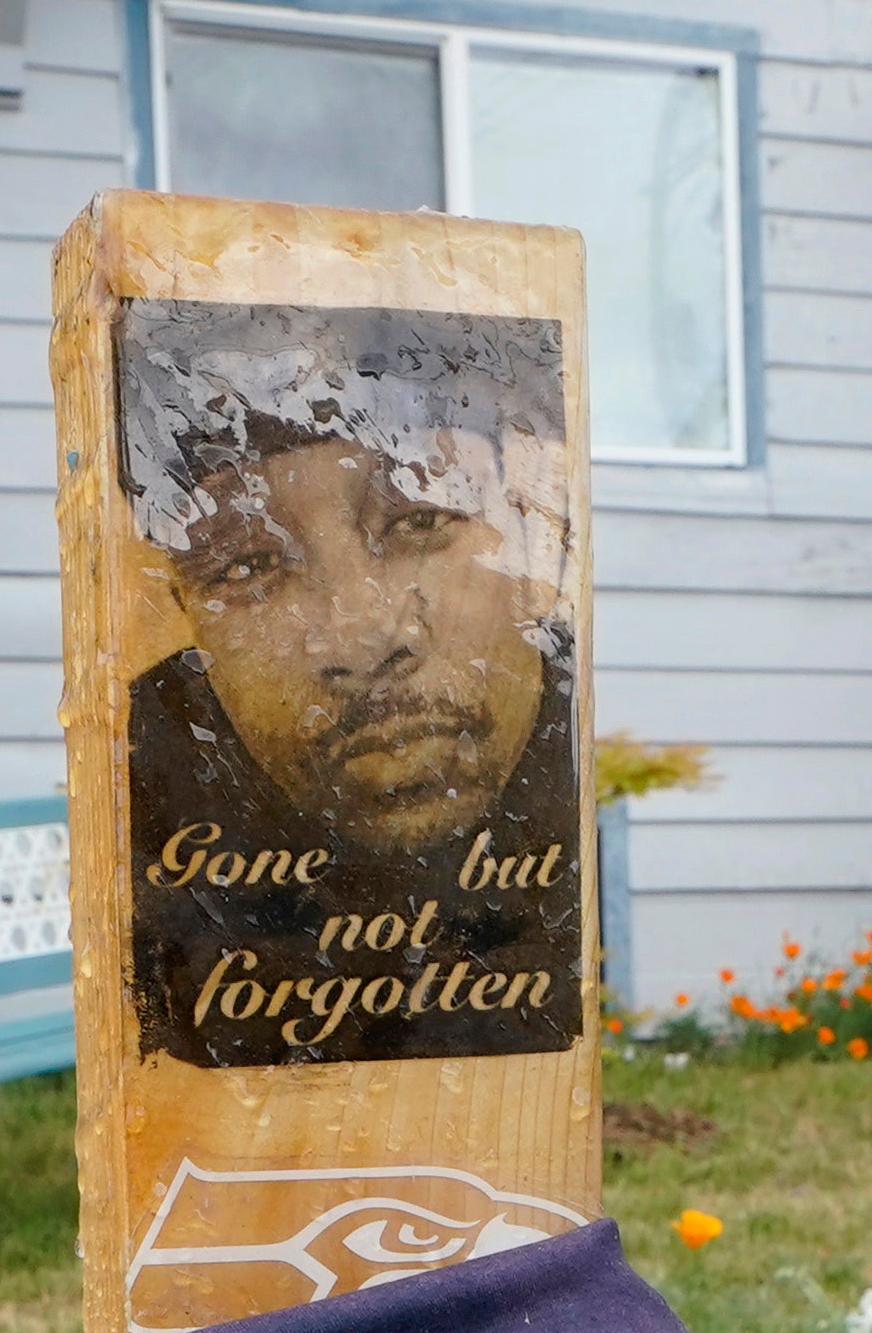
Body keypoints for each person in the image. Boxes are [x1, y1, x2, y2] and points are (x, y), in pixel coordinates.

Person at [114, 301, 587, 1069]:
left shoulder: (570, 741)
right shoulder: (150, 763)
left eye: (417, 521)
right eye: (244, 564)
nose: (364, 637)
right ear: (188, 616)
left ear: (538, 537)